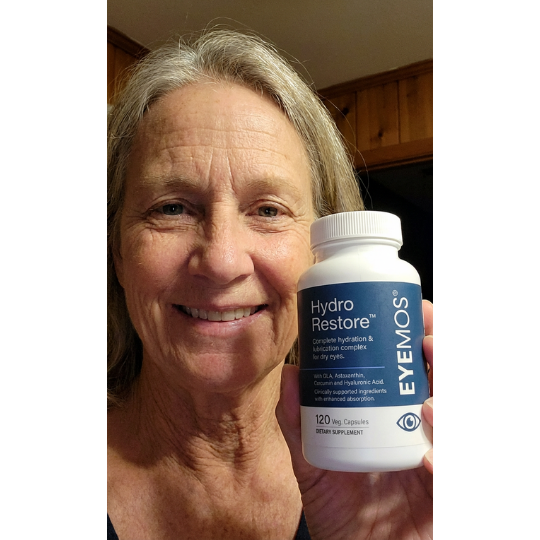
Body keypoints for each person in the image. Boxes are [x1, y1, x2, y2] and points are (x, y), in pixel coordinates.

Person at [107, 29, 433, 540]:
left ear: (323, 248)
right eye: (171, 208)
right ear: (118, 252)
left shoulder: (389, 479)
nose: (222, 262)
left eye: (268, 210)